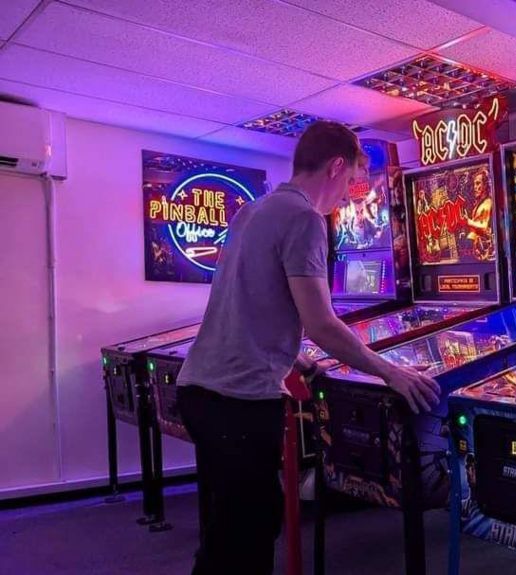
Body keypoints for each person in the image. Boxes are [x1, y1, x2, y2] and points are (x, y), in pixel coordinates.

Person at [176, 121, 440, 575]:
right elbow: (321, 323)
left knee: (226, 530)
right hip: (238, 399)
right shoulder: (304, 219)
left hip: (200, 393)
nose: (348, 195)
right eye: (352, 181)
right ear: (336, 166)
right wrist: (390, 371)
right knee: (250, 536)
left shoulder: (251, 212)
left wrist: (291, 356)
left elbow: (245, 300)